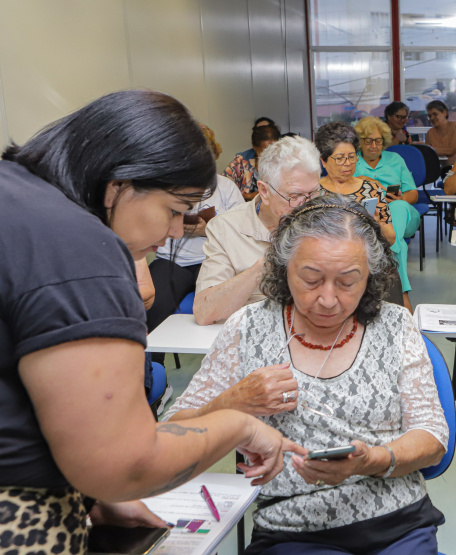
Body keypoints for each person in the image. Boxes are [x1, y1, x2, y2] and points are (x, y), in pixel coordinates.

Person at [0, 90, 299, 551]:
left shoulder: (18, 198)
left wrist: (86, 491)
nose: (174, 232)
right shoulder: (81, 248)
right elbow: (126, 463)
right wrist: (241, 426)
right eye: (174, 210)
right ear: (119, 185)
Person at [164, 196, 448, 554]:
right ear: (284, 268)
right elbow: (173, 431)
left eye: (348, 282)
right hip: (292, 528)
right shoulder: (249, 327)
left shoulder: (394, 325)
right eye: (311, 279)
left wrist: (371, 461)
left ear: (371, 276)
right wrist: (232, 402)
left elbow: (433, 436)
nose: (328, 300)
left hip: (399, 522)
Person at [194, 136, 323, 325]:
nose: (305, 205)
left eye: (313, 193)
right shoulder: (226, 228)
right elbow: (205, 313)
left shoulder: (328, 219)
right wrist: (265, 265)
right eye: (294, 196)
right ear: (264, 191)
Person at [146, 123, 245, 331]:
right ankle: (153, 363)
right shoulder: (166, 186)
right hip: (172, 261)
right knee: (150, 309)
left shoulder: (226, 187)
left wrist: (205, 229)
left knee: (226, 313)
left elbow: (240, 230)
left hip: (214, 260)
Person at [314, 122, 415, 308]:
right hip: (326, 263)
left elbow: (391, 239)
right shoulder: (312, 191)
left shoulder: (371, 189)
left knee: (388, 272)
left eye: (352, 157)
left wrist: (376, 224)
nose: (348, 164)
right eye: (340, 158)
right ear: (323, 160)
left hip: (367, 261)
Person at [224, 123, 282, 200]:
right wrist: (248, 196)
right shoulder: (241, 161)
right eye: (265, 150)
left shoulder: (285, 161)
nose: (270, 155)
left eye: (274, 149)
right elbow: (224, 187)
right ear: (255, 147)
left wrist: (251, 196)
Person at [423, 99, 456, 165]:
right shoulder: (430, 132)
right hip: (438, 170)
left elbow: (451, 150)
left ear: (444, 113)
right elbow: (428, 156)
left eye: (435, 114)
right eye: (429, 116)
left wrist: (427, 148)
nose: (432, 118)